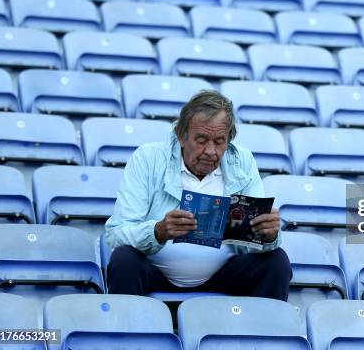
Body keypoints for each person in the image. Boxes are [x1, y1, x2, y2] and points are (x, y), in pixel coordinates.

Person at [105, 90, 292, 301]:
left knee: (276, 261)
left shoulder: (243, 161)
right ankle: (127, 333)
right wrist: (158, 231)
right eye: (201, 140)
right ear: (181, 136)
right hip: (154, 272)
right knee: (124, 260)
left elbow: (257, 241)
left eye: (220, 141)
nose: (211, 151)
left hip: (223, 275)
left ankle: (266, 334)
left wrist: (268, 235)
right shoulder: (148, 158)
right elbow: (116, 234)